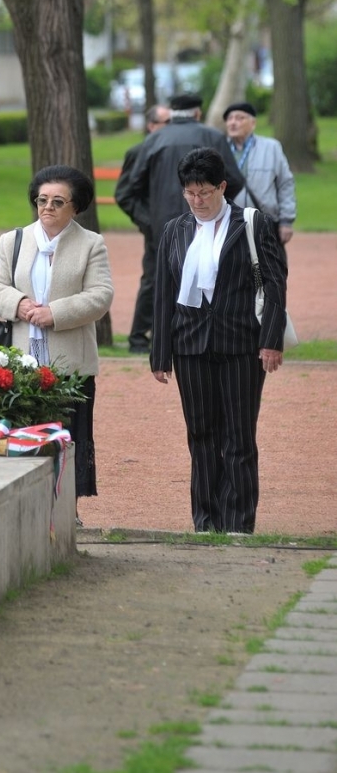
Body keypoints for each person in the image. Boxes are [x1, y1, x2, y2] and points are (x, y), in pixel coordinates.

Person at [151, 147, 288, 534]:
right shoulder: (174, 230)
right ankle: (206, 521)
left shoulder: (252, 223)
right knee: (201, 436)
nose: (198, 201)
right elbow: (163, 294)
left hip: (242, 344)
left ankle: (238, 524)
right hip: (190, 346)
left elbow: (275, 284)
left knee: (239, 437)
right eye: (190, 194)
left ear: (222, 187)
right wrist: (160, 353)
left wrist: (271, 339)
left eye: (205, 193)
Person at [0, 165, 114, 502]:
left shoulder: (91, 244)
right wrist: (20, 304)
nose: (47, 208)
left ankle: (67, 509)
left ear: (76, 207)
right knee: (24, 434)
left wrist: (55, 313)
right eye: (42, 200)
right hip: (20, 361)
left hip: (71, 363)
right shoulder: (13, 241)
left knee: (68, 436)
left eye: (58, 202)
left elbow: (100, 296)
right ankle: (28, 504)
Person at [115, 93, 244, 353]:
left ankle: (140, 339)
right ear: (197, 113)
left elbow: (127, 191)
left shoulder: (152, 141)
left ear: (172, 113)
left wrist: (148, 221)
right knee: (212, 277)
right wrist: (215, 210)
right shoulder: (213, 137)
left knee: (154, 279)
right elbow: (234, 180)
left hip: (162, 226)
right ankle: (205, 336)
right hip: (207, 223)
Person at [115, 104, 171, 353]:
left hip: (178, 227)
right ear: (151, 126)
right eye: (165, 123)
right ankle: (138, 338)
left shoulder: (173, 150)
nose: (171, 128)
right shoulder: (138, 151)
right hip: (155, 230)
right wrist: (148, 222)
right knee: (152, 281)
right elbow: (125, 194)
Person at [223, 101, 296, 245]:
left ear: (253, 123)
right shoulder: (220, 148)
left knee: (269, 266)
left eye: (239, 118)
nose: (233, 123)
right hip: (228, 223)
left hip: (264, 222)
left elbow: (285, 183)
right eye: (230, 118)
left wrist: (286, 221)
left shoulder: (271, 148)